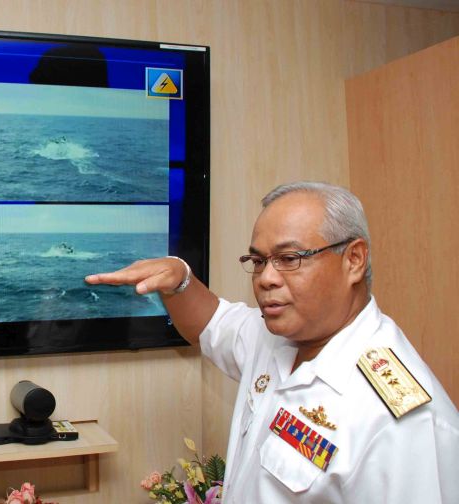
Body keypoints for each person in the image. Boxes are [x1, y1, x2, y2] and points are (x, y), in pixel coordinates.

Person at [85, 181, 459, 503]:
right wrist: (179, 276)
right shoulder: (281, 337)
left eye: (289, 258)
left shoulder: (403, 422)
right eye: (259, 261)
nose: (266, 278)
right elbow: (213, 323)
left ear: (354, 260)